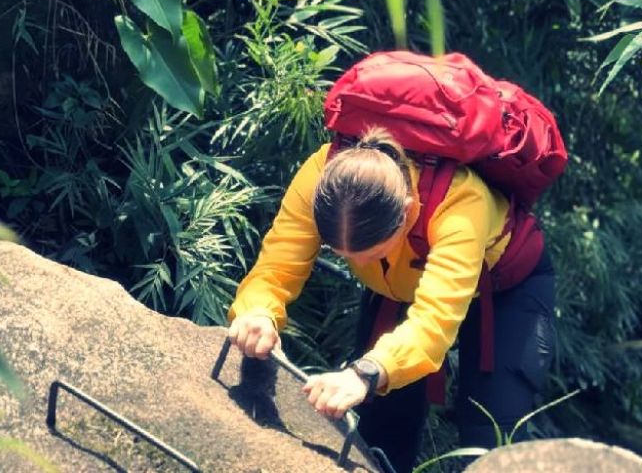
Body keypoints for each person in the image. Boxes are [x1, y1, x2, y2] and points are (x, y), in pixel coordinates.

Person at [227, 125, 555, 473]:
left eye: (372, 252)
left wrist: (366, 372)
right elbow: (277, 265)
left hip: (506, 288)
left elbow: (433, 324)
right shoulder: (322, 176)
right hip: (398, 287)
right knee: (382, 427)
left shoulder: (460, 204)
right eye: (343, 255)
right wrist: (258, 313)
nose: (358, 264)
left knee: (490, 434)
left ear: (408, 210)